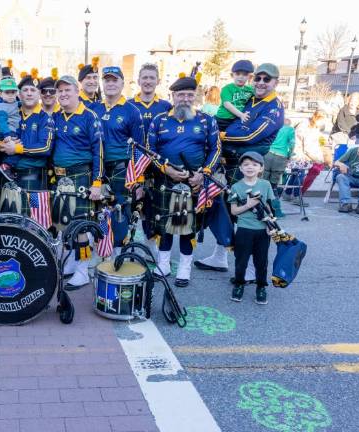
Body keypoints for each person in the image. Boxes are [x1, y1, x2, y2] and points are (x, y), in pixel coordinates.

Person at [195, 63, 284, 274]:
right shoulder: (252, 99)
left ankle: (253, 268)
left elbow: (250, 135)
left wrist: (219, 136)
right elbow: (236, 123)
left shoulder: (274, 107)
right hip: (233, 162)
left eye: (266, 79)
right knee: (226, 210)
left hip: (248, 167)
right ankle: (220, 256)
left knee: (250, 216)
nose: (261, 82)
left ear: (275, 82)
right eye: (259, 78)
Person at [147, 75, 221, 287]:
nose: (185, 99)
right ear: (173, 96)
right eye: (181, 95)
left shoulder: (207, 120)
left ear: (195, 96)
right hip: (166, 179)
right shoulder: (159, 120)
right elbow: (150, 151)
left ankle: (184, 268)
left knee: (188, 227)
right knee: (166, 224)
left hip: (194, 181)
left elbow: (215, 149)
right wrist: (166, 169)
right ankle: (164, 264)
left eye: (190, 94)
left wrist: (204, 173)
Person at [52, 75, 104, 288]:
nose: (63, 94)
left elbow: (98, 151)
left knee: (81, 226)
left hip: (80, 176)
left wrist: (97, 182)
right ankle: (74, 263)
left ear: (77, 91)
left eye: (67, 90)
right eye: (60, 91)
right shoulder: (55, 116)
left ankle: (83, 270)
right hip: (60, 177)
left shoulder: (89, 116)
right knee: (65, 224)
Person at [91, 66, 144, 253]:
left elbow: (139, 148)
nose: (111, 83)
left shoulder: (132, 111)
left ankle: (119, 260)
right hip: (97, 169)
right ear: (102, 83)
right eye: (107, 80)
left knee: (120, 213)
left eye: (115, 80)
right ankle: (102, 257)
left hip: (122, 169)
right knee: (96, 213)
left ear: (122, 83)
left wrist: (139, 181)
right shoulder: (94, 108)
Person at [0, 74, 55, 213]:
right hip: (8, 178)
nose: (29, 93)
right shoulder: (10, 112)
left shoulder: (45, 118)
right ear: (19, 94)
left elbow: (45, 148)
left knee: (33, 226)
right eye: (25, 90)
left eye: (33, 90)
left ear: (39, 94)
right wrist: (1, 143)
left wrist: (17, 149)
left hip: (33, 178)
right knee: (8, 224)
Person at [228, 151, 274, 305]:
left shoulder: (265, 185)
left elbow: (268, 206)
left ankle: (261, 287)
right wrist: (248, 205)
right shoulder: (236, 187)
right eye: (246, 164)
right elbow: (234, 211)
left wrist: (271, 224)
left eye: (254, 165)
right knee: (241, 261)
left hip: (262, 230)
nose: (250, 167)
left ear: (261, 168)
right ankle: (239, 284)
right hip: (244, 229)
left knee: (261, 262)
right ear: (240, 168)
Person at [283, 110, 327, 206]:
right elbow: (307, 147)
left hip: (298, 154)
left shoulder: (310, 125)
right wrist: (317, 159)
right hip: (300, 156)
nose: (323, 124)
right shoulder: (306, 127)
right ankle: (296, 197)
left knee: (295, 174)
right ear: (318, 119)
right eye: (322, 121)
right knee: (300, 176)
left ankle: (287, 194)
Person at [263, 117, 295, 215]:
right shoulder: (290, 129)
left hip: (268, 154)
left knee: (263, 182)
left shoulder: (274, 127)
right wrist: (290, 155)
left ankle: (263, 208)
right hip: (280, 158)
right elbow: (292, 144)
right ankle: (275, 210)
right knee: (274, 185)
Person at [127, 63, 172, 133]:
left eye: (152, 78)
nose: (148, 81)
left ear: (158, 81)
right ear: (138, 81)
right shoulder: (127, 105)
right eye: (145, 78)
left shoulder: (167, 106)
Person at [0, 76, 22, 181]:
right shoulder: (1, 107)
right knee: (17, 149)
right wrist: (7, 135)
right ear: (0, 93)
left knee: (4, 153)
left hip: (10, 131)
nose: (10, 95)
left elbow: (18, 104)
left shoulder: (15, 103)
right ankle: (6, 166)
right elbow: (1, 122)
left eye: (13, 92)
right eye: (7, 92)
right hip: (5, 131)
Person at [215, 60, 254, 131]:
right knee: (218, 137)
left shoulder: (249, 89)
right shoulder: (227, 88)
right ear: (232, 75)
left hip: (237, 119)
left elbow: (257, 95)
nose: (241, 77)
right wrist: (241, 115)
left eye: (245, 74)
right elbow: (227, 104)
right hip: (223, 120)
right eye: (238, 74)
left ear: (249, 77)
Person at [334, 140, 359, 213]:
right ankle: (346, 203)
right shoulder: (353, 151)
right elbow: (337, 162)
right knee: (340, 177)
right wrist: (341, 165)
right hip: (351, 176)